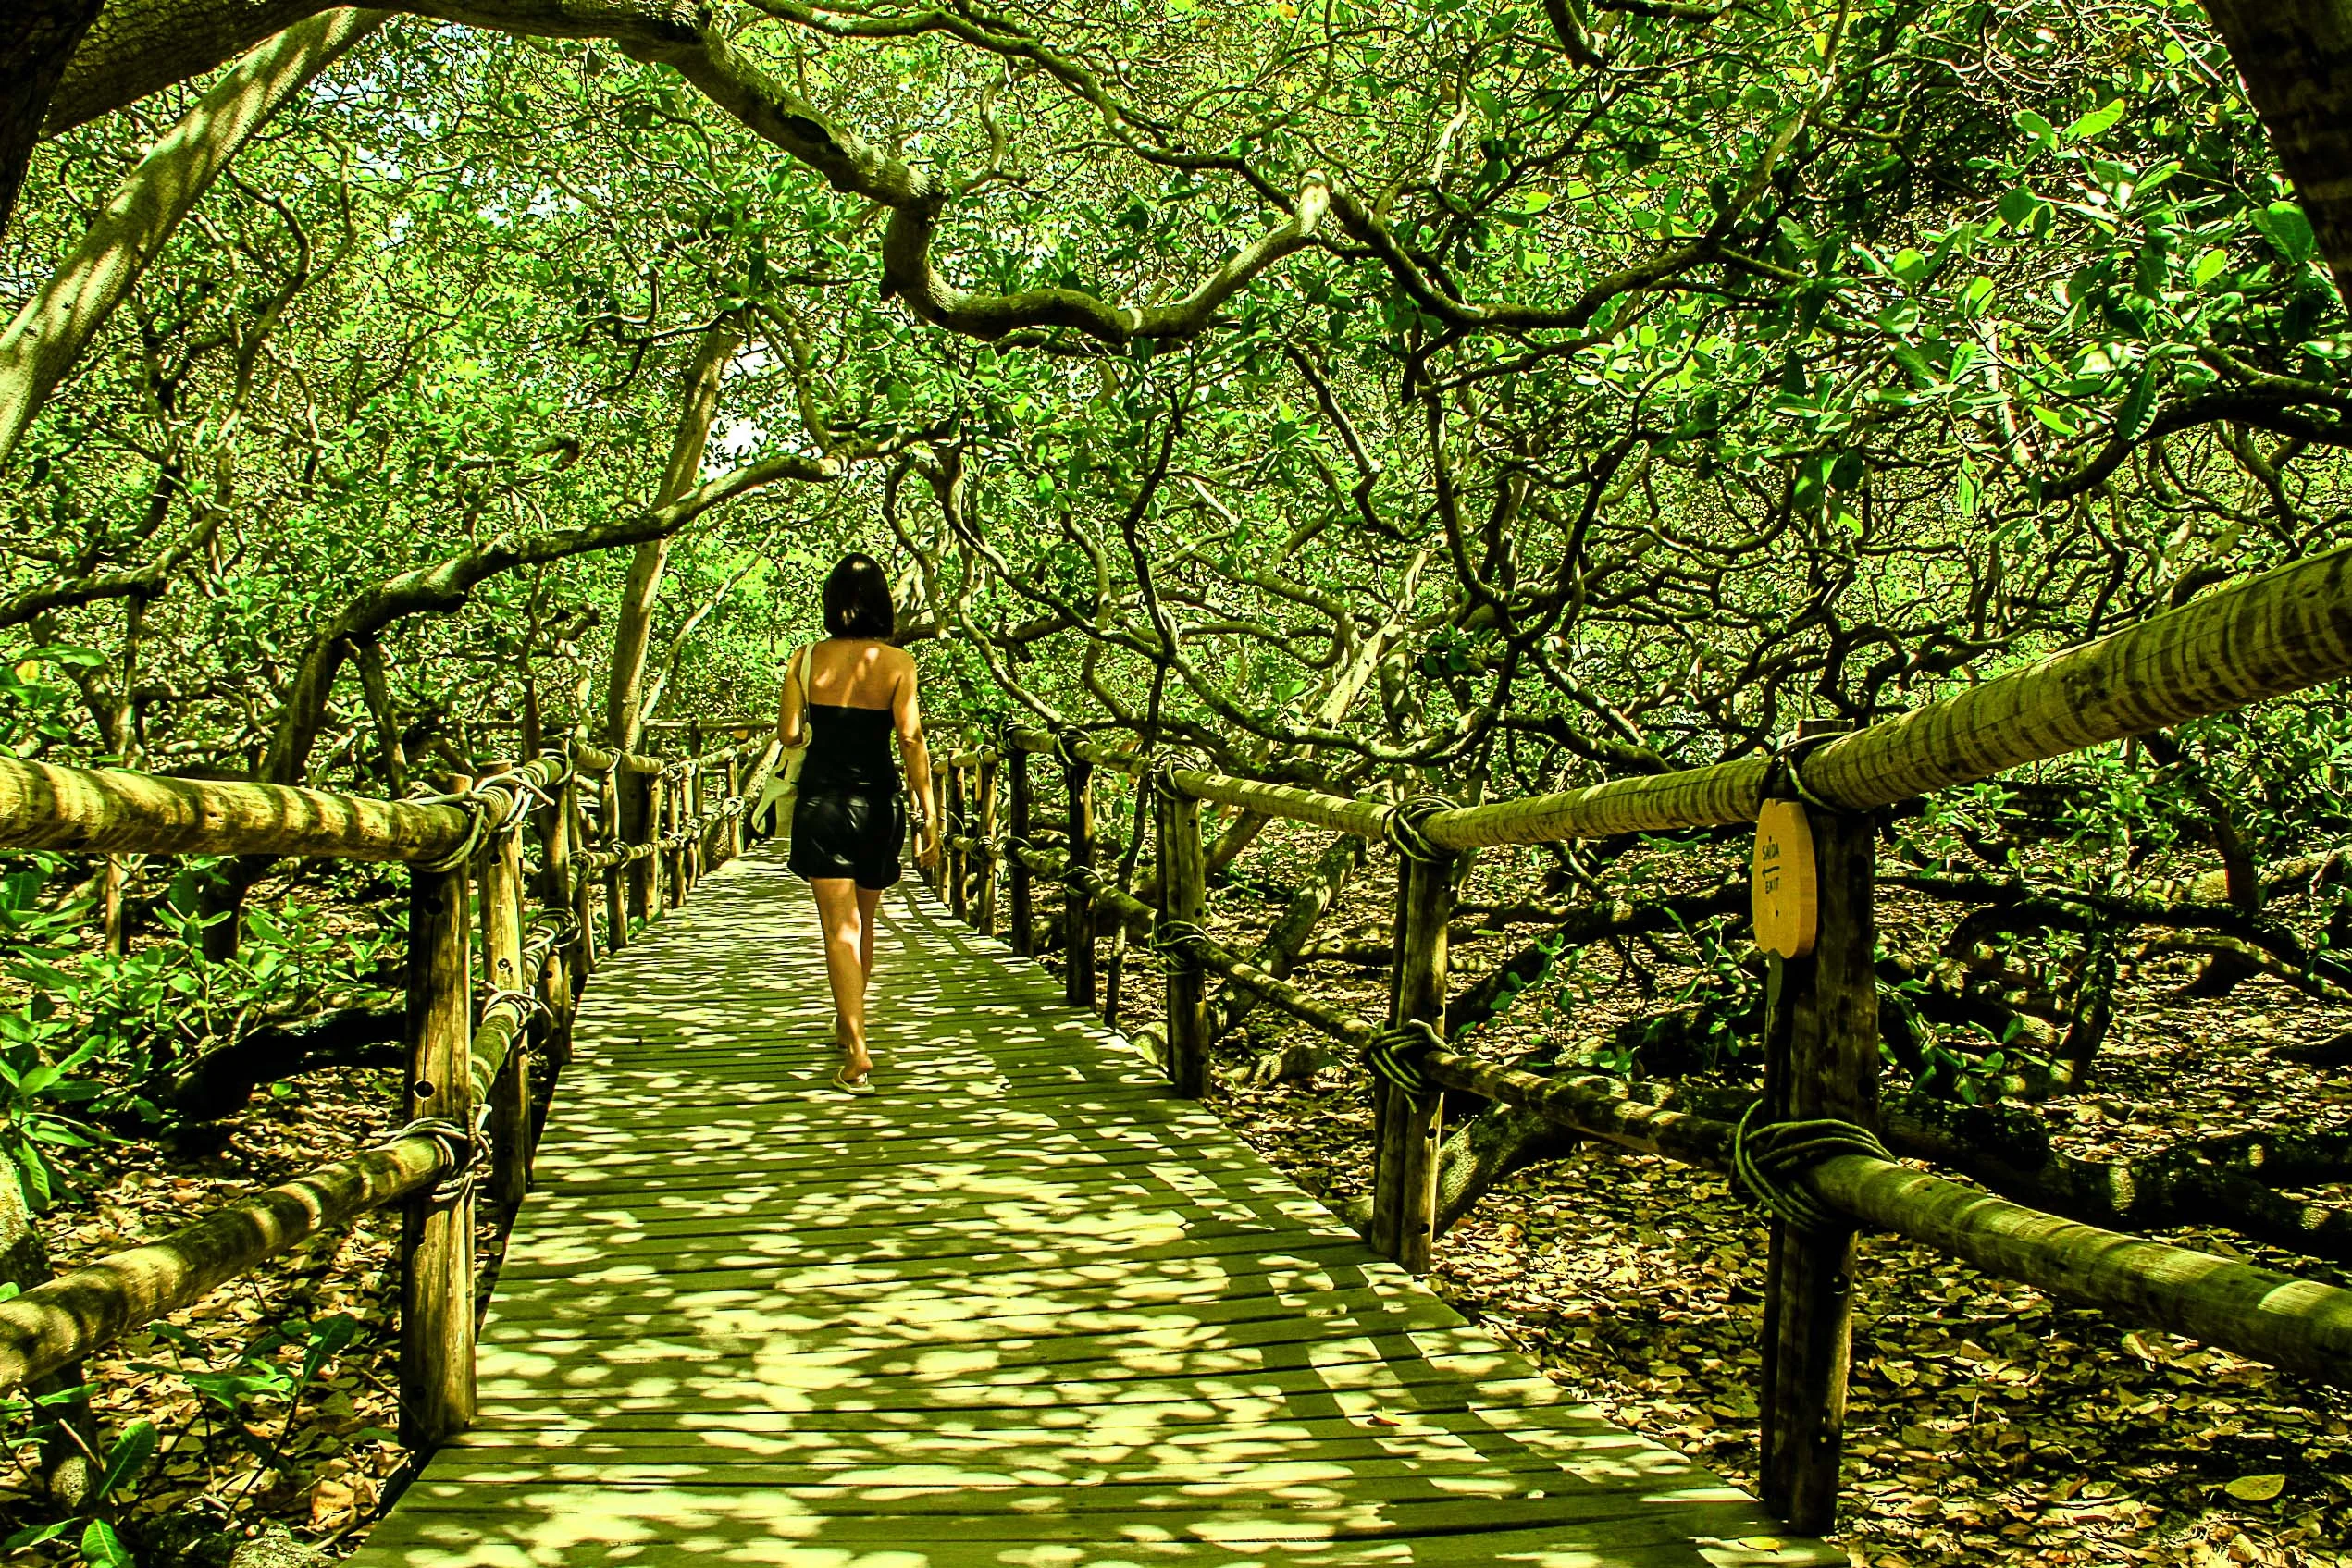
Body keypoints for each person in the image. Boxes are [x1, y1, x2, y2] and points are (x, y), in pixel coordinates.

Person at [775, 553, 939, 1093]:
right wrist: (930, 810)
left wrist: (803, 700)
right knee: (864, 924)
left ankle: (857, 1043)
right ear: (882, 605)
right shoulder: (898, 664)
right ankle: (851, 1030)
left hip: (824, 804)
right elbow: (911, 740)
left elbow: (791, 735)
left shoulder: (805, 658)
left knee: (837, 929)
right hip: (880, 806)